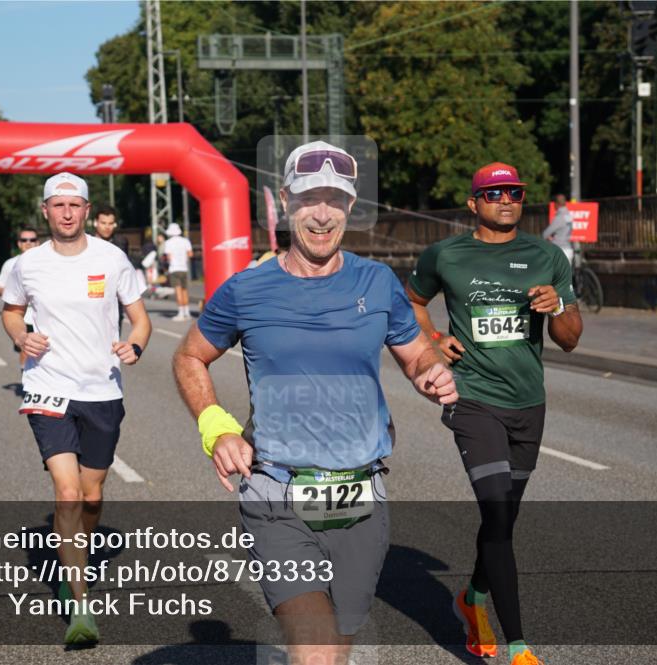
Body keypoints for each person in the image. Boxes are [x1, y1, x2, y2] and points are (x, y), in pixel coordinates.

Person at [172, 141, 458, 665]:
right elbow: (190, 357)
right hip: (277, 494)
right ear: (286, 201)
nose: (322, 214)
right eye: (309, 198)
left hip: (361, 496)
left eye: (335, 199)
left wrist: (431, 371)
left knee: (339, 642)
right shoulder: (246, 290)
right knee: (317, 651)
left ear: (351, 207)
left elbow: (416, 353)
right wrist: (217, 426)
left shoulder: (377, 282)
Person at [406, 162, 583, 665]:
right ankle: (520, 648)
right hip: (473, 400)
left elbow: (570, 340)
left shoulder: (548, 256)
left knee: (504, 520)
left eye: (514, 192)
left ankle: (473, 599)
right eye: (494, 192)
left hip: (529, 404)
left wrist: (555, 309)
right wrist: (436, 340)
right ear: (474, 203)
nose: (506, 199)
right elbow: (413, 302)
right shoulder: (446, 254)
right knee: (497, 511)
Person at [1, 173, 152, 646]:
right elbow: (10, 310)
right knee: (67, 493)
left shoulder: (113, 259)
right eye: (58, 204)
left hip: (102, 390)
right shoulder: (26, 264)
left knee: (91, 496)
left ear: (87, 211)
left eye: (75, 205)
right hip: (48, 388)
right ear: (44, 210)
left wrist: (136, 346)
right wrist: (20, 335)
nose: (67, 212)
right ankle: (81, 608)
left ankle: (76, 558)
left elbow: (140, 319)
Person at [0, 228, 39, 366]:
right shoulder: (10, 264)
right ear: (19, 244)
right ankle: (25, 383)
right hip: (22, 316)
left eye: (32, 240)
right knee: (26, 351)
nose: (28, 243)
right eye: (24, 240)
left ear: (37, 242)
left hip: (42, 316)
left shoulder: (48, 263)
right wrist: (18, 296)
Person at [92, 205, 131, 331]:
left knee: (113, 345)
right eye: (103, 223)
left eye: (111, 223)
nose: (107, 227)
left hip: (114, 300)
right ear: (95, 223)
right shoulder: (85, 242)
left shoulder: (121, 243)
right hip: (91, 298)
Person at [163, 223, 193, 320]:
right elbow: (190, 254)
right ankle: (187, 312)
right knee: (185, 290)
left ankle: (180, 313)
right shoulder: (185, 241)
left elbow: (169, 257)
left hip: (174, 268)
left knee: (178, 290)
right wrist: (184, 259)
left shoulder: (168, 243)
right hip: (184, 268)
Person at [542, 194, 574, 264]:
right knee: (566, 275)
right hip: (568, 249)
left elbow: (545, 234)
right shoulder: (568, 216)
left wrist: (550, 237)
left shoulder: (559, 217)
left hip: (560, 251)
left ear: (557, 204)